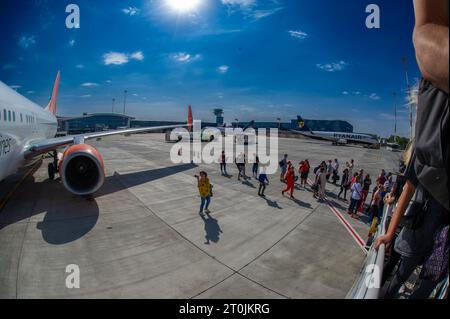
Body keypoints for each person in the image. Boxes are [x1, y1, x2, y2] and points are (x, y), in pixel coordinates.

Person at [376, 0, 449, 299]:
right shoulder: (422, 150)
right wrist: (390, 234)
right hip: (421, 226)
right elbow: (408, 187)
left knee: (426, 282)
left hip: (436, 237)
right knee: (400, 277)